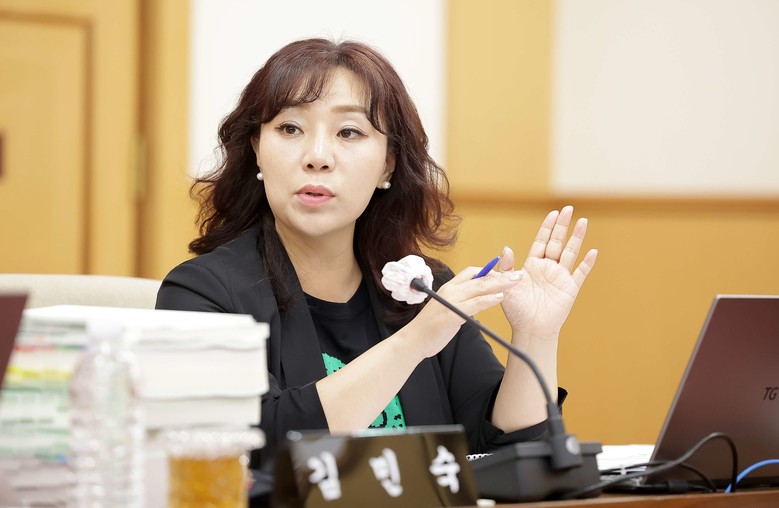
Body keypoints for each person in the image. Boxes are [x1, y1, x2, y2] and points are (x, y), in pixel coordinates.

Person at [156, 38, 598, 471]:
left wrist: (536, 336)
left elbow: (504, 448)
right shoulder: (201, 294)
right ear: (256, 148)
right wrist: (414, 342)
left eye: (349, 132)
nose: (317, 156)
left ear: (388, 164)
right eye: (290, 128)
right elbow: (255, 447)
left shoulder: (424, 290)